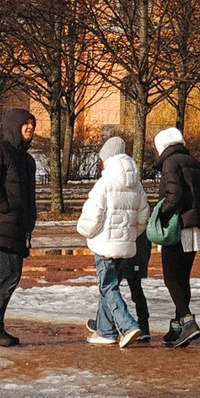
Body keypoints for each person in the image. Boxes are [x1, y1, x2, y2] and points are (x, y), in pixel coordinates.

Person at [75, 134, 151, 347]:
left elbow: (92, 216)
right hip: (126, 244)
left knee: (108, 286)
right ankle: (106, 331)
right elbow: (144, 215)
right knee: (109, 286)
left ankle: (127, 326)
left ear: (107, 158)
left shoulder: (104, 183)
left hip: (104, 244)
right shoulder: (137, 184)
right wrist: (131, 234)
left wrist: (86, 232)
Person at [0, 107, 38, 347]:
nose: (30, 128)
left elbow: (28, 195)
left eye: (33, 124)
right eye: (26, 124)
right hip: (3, 225)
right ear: (14, 125)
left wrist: (29, 219)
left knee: (11, 276)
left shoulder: (27, 160)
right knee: (8, 276)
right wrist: (7, 208)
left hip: (17, 227)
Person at [149, 125, 200, 347]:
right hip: (196, 227)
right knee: (183, 277)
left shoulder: (170, 163)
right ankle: (178, 327)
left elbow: (174, 195)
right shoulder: (195, 163)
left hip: (178, 226)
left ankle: (187, 321)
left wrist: (160, 213)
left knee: (170, 277)